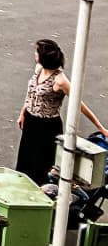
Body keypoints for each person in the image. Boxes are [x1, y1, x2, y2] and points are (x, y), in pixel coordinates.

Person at [16, 38, 105, 185]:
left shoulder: (60, 81)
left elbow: (79, 105)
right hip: (31, 122)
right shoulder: (38, 69)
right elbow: (30, 93)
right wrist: (23, 113)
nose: (34, 55)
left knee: (40, 165)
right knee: (25, 161)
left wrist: (100, 128)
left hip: (46, 127)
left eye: (37, 52)